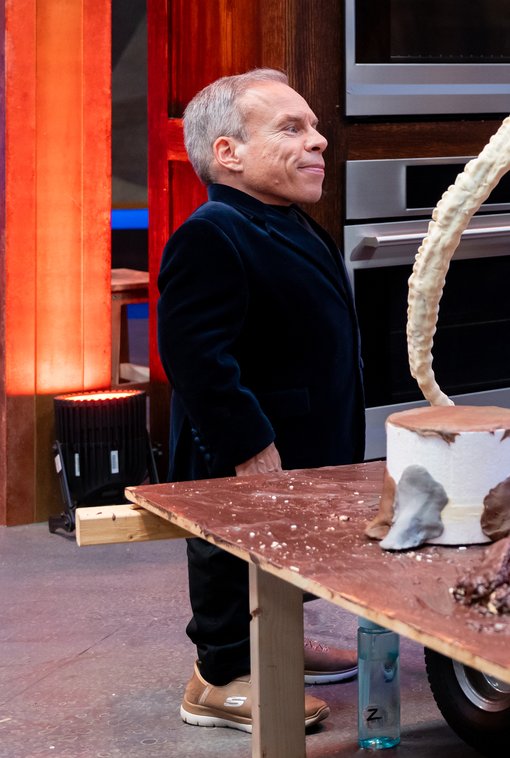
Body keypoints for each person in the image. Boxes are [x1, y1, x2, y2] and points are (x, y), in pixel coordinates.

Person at [158, 69, 365, 732]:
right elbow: (194, 353)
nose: (319, 141)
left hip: (306, 435)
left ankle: (272, 640)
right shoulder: (212, 232)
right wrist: (246, 442)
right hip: (242, 449)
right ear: (229, 153)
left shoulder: (293, 223)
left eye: (315, 127)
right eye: (291, 128)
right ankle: (219, 675)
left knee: (288, 547)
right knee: (230, 551)